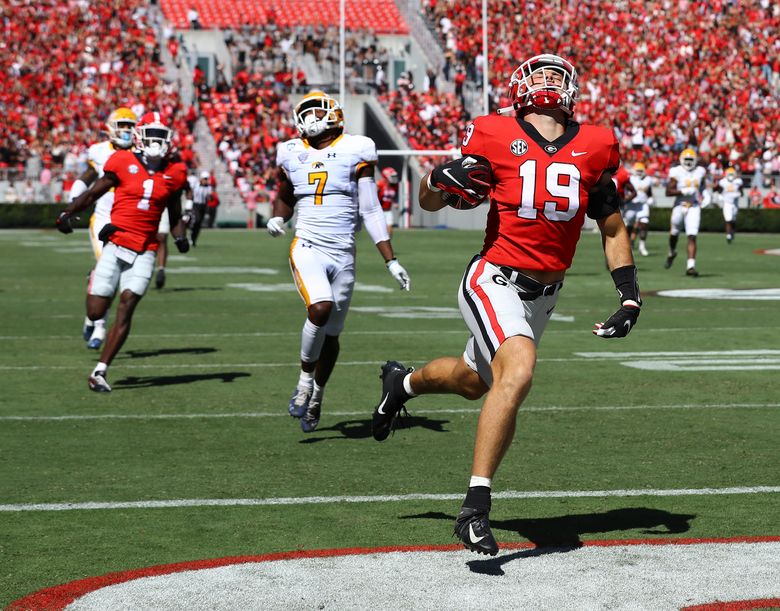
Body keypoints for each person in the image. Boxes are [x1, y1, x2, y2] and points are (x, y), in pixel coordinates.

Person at [370, 54, 640, 556]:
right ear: (520, 85)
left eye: (556, 74)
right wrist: (436, 181)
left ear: (572, 88)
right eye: (538, 73)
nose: (546, 80)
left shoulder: (597, 144)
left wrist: (629, 296)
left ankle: (401, 384)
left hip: (546, 294)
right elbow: (433, 200)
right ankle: (475, 506)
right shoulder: (492, 132)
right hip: (494, 276)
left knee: (476, 382)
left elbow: (612, 227)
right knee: (517, 370)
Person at [268, 90, 411, 433]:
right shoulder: (290, 152)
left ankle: (317, 395)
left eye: (316, 110)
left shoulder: (355, 149)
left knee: (331, 334)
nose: (309, 117)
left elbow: (370, 207)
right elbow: (285, 195)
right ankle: (304, 383)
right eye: (305, 112)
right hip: (308, 245)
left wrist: (391, 261)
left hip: (343, 252)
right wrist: (278, 217)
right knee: (320, 308)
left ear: (333, 114)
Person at [56, 112, 191, 392]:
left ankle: (101, 370)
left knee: (128, 303)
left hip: (145, 248)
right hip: (116, 242)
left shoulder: (176, 172)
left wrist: (180, 237)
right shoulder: (121, 160)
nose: (156, 142)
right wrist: (69, 212)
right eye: (151, 136)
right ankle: (94, 282)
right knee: (95, 312)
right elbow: (94, 192)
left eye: (160, 137)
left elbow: (174, 210)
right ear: (141, 138)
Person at [68, 107, 138, 349]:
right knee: (106, 270)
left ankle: (92, 316)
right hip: (103, 219)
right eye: (123, 125)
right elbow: (86, 177)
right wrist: (73, 201)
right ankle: (98, 327)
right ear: (111, 127)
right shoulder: (99, 152)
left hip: (127, 222)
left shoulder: (140, 153)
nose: (127, 131)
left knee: (113, 276)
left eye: (131, 126)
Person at [664, 148, 707, 276]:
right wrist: (683, 191)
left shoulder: (700, 171)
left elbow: (703, 187)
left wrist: (706, 196)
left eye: (691, 160)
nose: (688, 163)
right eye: (686, 160)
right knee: (674, 234)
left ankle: (690, 266)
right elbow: (668, 192)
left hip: (694, 206)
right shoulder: (676, 171)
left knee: (692, 235)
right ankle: (672, 251)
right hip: (679, 205)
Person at [627, 162, 654, 256]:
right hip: (631, 205)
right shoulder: (629, 178)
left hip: (643, 205)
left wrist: (651, 199)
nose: (639, 173)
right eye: (637, 171)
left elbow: (649, 192)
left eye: (641, 171)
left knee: (644, 224)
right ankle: (627, 245)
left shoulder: (648, 180)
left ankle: (642, 246)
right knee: (629, 225)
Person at [714, 167, 743, 243]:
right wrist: (719, 194)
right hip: (727, 203)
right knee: (728, 219)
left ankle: (732, 232)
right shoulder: (723, 182)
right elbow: (719, 189)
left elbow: (741, 189)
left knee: (733, 220)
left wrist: (740, 194)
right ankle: (728, 235)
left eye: (732, 174)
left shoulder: (738, 181)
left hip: (735, 203)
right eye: (729, 174)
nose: (730, 176)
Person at [190, 171, 213, 246]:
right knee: (197, 220)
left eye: (207, 179)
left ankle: (194, 239)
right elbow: (191, 194)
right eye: (205, 179)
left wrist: (210, 197)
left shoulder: (209, 187)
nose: (206, 181)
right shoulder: (196, 185)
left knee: (199, 224)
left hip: (203, 206)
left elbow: (209, 198)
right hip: (196, 205)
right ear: (201, 179)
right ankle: (191, 233)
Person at [377, 166, 400, 236]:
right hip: (379, 210)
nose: (394, 178)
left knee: (390, 228)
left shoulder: (395, 186)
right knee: (381, 229)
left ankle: (388, 244)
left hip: (388, 210)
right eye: (392, 176)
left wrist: (395, 202)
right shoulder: (380, 184)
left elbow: (393, 196)